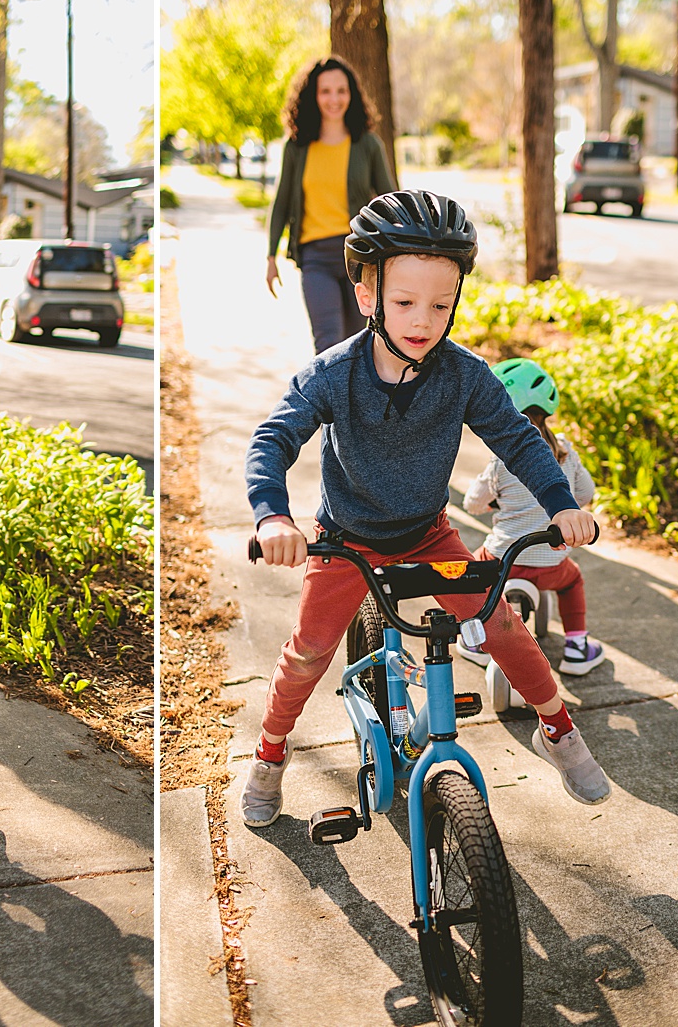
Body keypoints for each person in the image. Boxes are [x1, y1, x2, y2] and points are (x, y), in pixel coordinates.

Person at [243, 189, 612, 825]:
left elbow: (519, 440)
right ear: (367, 296)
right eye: (405, 301)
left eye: (441, 304)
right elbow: (273, 438)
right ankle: (270, 753)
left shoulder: (464, 374)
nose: (423, 319)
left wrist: (559, 503)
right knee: (308, 651)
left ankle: (558, 731)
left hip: (427, 536)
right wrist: (274, 514)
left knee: (500, 625)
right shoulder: (334, 374)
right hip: (346, 540)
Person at [460, 357, 606, 675]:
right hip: (551, 564)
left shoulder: (501, 460)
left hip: (503, 562)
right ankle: (577, 646)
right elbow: (585, 494)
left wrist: (494, 505)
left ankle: (474, 639)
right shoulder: (566, 452)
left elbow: (472, 503)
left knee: (469, 574)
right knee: (573, 580)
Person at [265, 55, 396, 356]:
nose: (334, 99)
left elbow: (390, 199)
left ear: (352, 94)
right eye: (325, 91)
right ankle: (331, 404)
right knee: (328, 345)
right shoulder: (297, 146)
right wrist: (271, 256)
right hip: (316, 259)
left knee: (359, 345)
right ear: (313, 96)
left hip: (361, 258)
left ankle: (353, 404)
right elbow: (281, 201)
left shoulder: (367, 144)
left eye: (341, 90)